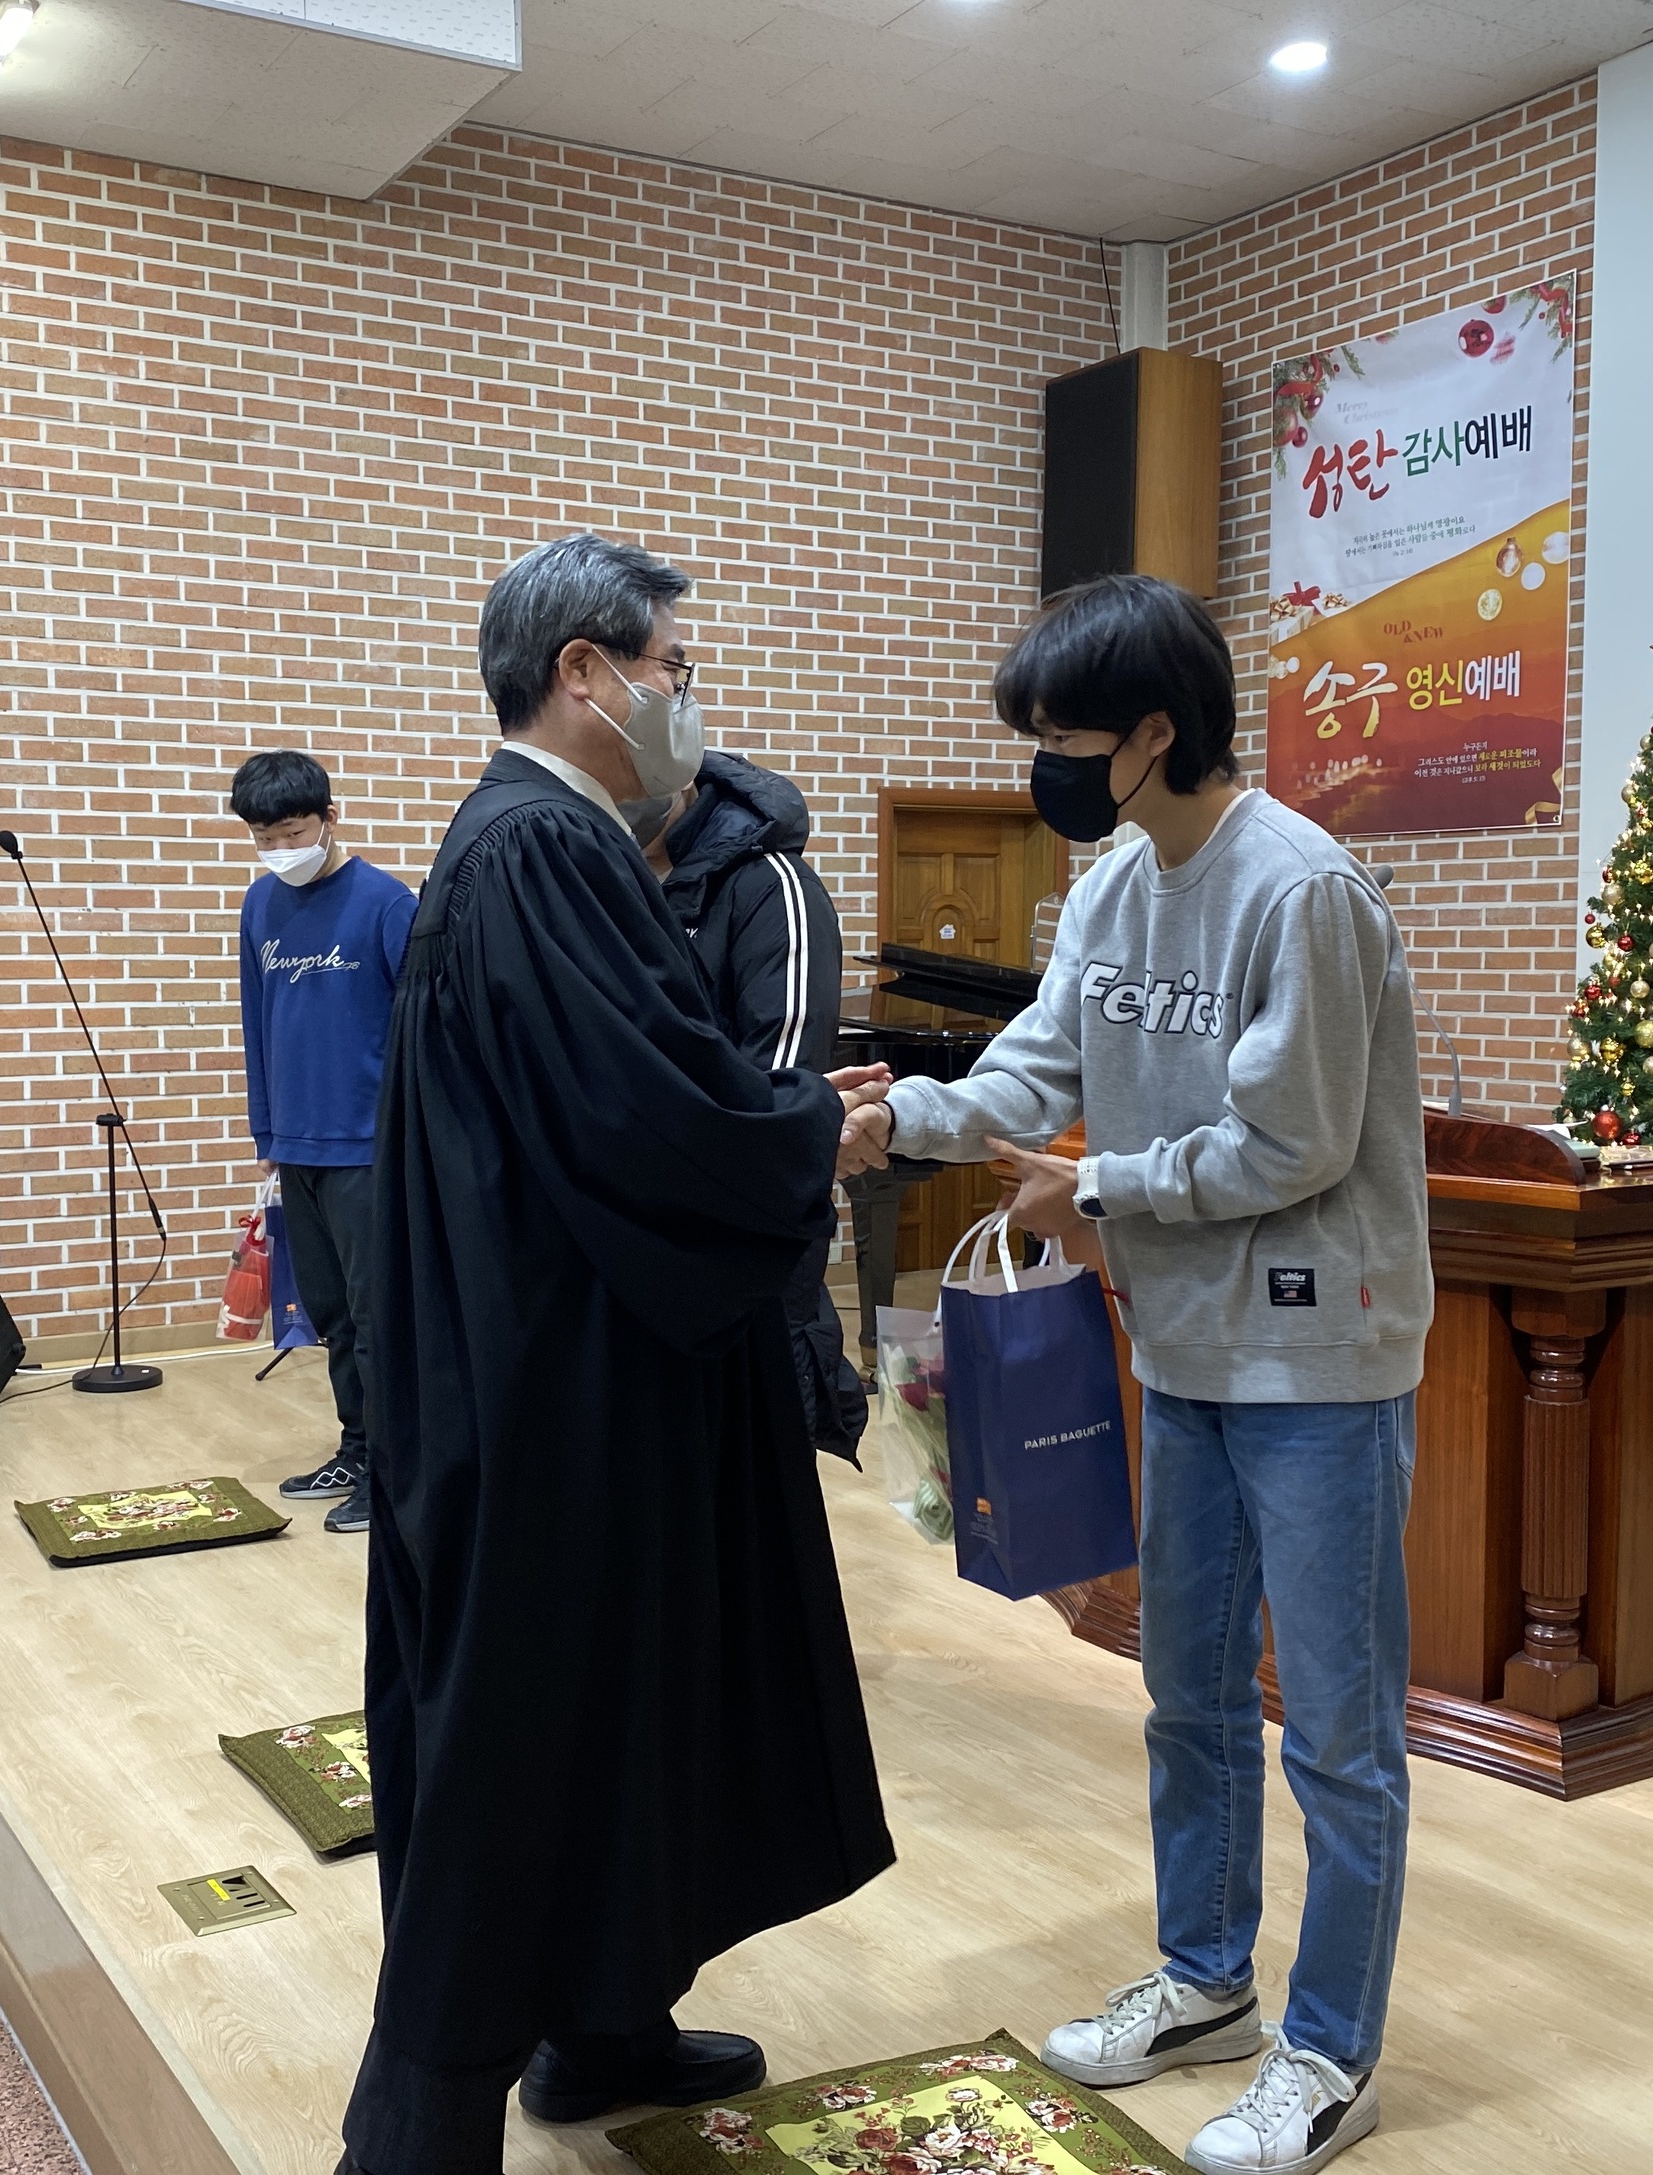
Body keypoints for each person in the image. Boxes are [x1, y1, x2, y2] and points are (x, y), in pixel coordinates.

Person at [839, 574, 1429, 2175]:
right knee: (1186, 1694)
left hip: (1317, 1357)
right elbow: (1034, 1068)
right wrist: (898, 1116)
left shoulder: (1297, 888)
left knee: (1334, 1731)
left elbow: (1290, 1143)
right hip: (1179, 1345)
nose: (1044, 764)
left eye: (1063, 735)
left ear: (1154, 731)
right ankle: (1205, 1980)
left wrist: (1095, 1189)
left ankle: (1329, 2050)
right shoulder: (1109, 888)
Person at [337, 534, 896, 2175]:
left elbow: (640, 1081)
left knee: (622, 1708)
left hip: (577, 1358)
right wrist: (803, 1138)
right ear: (583, 671)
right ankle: (413, 2132)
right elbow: (639, 1114)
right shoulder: (538, 847)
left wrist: (774, 1116)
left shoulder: (542, 841)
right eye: (670, 666)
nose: (683, 697)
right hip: (548, 1394)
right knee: (522, 1736)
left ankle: (604, 2025)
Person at [643, 750, 868, 1460]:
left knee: (759, 1456)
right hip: (651, 1235)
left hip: (746, 1232)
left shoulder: (771, 883)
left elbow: (781, 1087)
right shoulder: (615, 879)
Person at [231, 749, 417, 1535]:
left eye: (293, 832)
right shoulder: (259, 904)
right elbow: (257, 1022)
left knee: (379, 1321)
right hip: (297, 1148)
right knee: (332, 1316)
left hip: (369, 1149)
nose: (280, 850)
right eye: (264, 838)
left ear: (330, 818)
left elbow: (422, 1034)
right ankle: (356, 1448)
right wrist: (266, 1130)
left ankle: (395, 1475)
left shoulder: (387, 904)